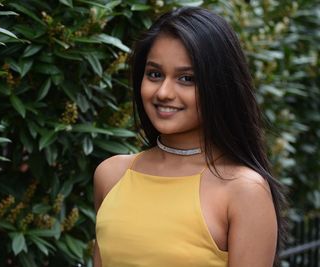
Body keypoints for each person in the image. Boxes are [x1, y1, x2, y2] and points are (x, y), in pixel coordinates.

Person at [93, 6, 286, 267]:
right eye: (154, 74)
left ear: (220, 85)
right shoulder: (111, 175)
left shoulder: (243, 190)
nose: (163, 92)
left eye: (186, 78)